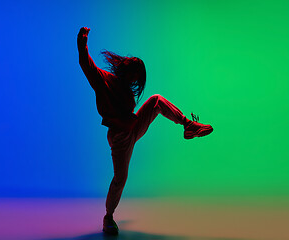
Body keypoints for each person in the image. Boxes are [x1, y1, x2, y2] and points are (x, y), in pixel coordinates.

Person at [77, 27, 213, 235]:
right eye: (133, 74)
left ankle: (188, 125)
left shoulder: (128, 92)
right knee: (120, 179)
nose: (134, 80)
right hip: (120, 137)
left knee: (156, 100)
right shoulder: (105, 81)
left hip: (133, 127)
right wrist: (82, 42)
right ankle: (108, 217)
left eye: (136, 78)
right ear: (124, 69)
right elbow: (86, 64)